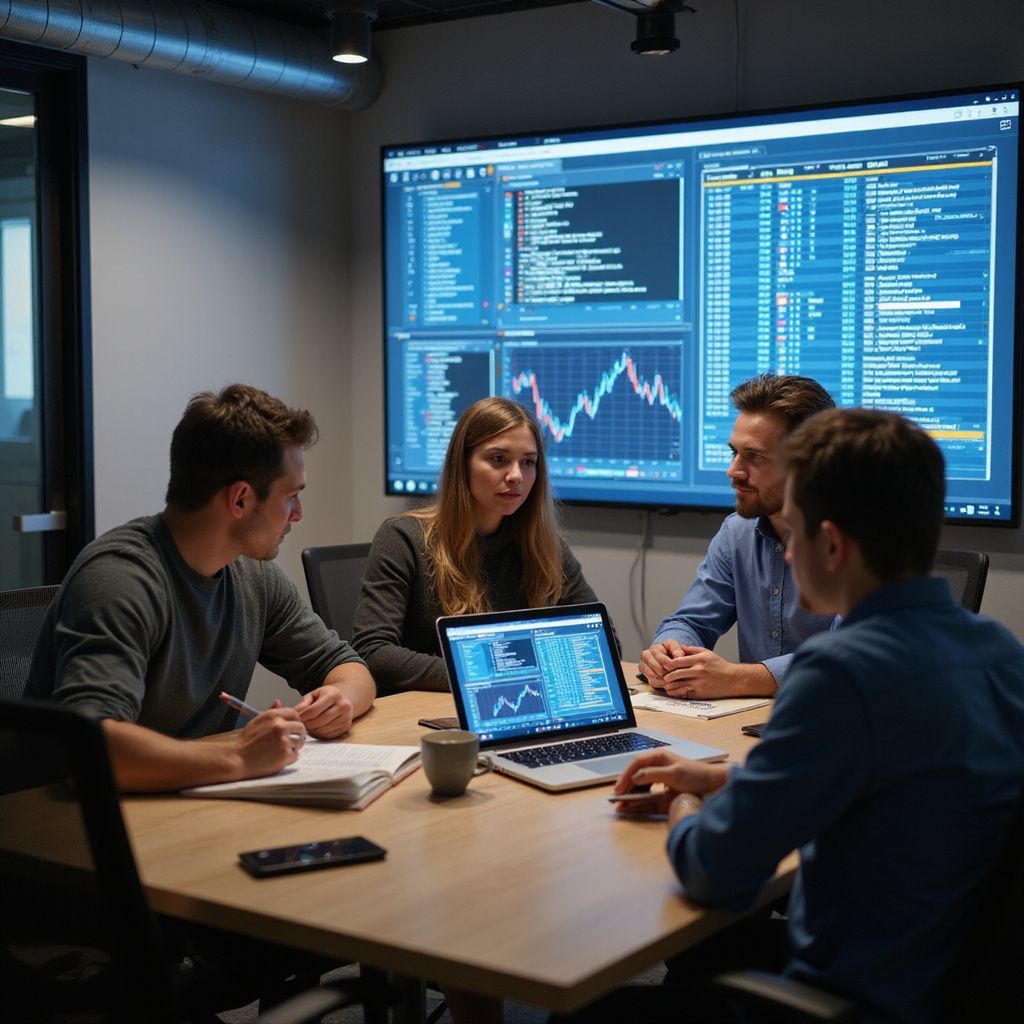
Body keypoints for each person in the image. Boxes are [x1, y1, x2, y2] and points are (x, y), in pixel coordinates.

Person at [608, 408, 1024, 1024]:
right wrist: (721, 778)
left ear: (830, 544)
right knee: (710, 950)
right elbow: (895, 778)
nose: (785, 548)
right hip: (943, 976)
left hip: (851, 995)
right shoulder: (1000, 651)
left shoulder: (839, 672)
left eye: (794, 530)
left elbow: (714, 873)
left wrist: (681, 804)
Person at [27, 383, 375, 792]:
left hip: (187, 798)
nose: (298, 514)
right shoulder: (120, 579)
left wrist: (342, 700)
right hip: (69, 822)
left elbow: (348, 667)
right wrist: (241, 756)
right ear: (241, 500)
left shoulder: (251, 573)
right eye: (291, 497)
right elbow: (91, 747)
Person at [353, 396, 615, 696]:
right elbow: (374, 653)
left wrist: (512, 673)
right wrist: (495, 673)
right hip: (428, 719)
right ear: (462, 463)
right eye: (498, 459)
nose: (516, 475)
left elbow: (603, 645)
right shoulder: (403, 538)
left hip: (517, 708)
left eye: (528, 462)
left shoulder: (545, 546)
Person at [640, 373, 836, 700]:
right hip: (756, 724)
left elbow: (853, 657)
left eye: (754, 456)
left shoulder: (860, 537)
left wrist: (738, 678)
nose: (734, 470)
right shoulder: (738, 531)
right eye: (734, 452)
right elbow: (692, 621)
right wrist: (667, 653)